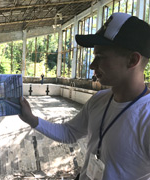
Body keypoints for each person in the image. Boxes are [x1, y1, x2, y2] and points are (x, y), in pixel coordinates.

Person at [19, 13, 150, 180]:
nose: (91, 65)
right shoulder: (100, 99)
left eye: (100, 57)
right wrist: (31, 119)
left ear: (132, 60)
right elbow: (69, 133)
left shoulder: (146, 119)